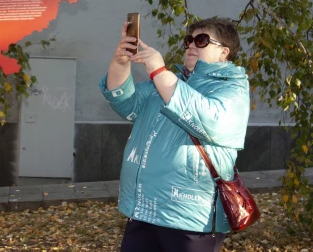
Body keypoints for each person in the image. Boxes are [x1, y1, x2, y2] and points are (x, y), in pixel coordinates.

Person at [98, 17, 250, 252]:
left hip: (189, 218)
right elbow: (124, 102)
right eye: (189, 40)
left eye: (201, 40)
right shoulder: (170, 81)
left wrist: (159, 71)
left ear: (224, 52)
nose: (191, 45)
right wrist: (120, 61)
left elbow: (209, 121)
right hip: (143, 209)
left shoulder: (233, 87)